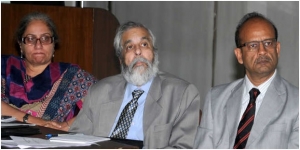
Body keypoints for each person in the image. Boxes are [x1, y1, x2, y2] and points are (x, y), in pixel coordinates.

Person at [69, 21, 200, 148]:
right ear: (120, 59)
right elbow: (76, 139)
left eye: (144, 44)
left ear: (154, 53)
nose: (138, 52)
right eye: (130, 47)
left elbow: (183, 146)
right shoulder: (99, 92)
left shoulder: (182, 94)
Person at [194, 12, 299, 149]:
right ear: (239, 55)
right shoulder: (216, 99)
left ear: (277, 49)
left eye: (268, 43)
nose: (262, 51)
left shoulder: (296, 103)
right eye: (253, 45)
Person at [1, 12, 97, 131]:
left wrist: (64, 126)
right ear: (21, 45)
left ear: (54, 44)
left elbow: (101, 106)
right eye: (30, 39)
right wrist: (38, 122)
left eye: (45, 38)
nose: (38, 45)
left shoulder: (74, 77)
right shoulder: (4, 67)